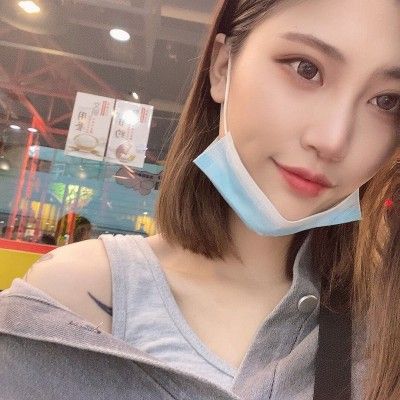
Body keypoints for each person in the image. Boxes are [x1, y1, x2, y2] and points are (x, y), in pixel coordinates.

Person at [1, 0, 399, 398]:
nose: (333, 140)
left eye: (387, 101)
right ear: (223, 67)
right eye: (306, 69)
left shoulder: (380, 335)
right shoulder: (75, 296)